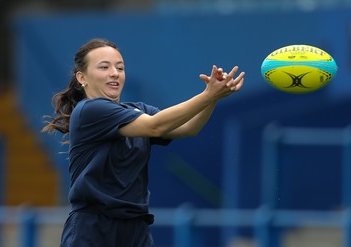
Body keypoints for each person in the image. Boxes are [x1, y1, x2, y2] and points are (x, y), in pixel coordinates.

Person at [42, 38, 245, 247]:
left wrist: (213, 98)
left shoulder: (137, 110)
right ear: (81, 77)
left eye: (120, 67)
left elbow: (188, 128)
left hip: (135, 229)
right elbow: (156, 126)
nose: (115, 73)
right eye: (104, 67)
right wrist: (207, 95)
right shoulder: (89, 111)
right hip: (94, 229)